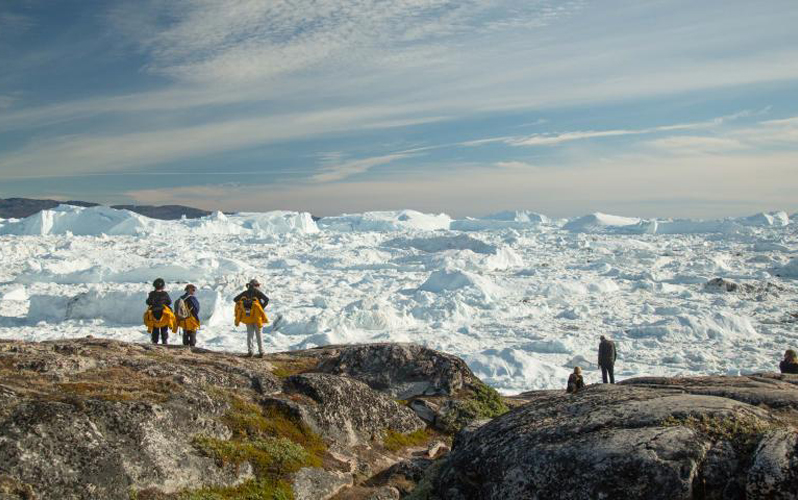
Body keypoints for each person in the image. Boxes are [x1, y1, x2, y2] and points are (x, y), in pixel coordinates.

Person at [234, 279, 269, 357]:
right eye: (257, 285)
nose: (258, 287)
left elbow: (235, 299)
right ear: (254, 285)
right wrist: (261, 307)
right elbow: (266, 300)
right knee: (259, 334)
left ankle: (250, 351)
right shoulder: (257, 292)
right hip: (257, 317)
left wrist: (243, 305)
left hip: (248, 316)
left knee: (250, 334)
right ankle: (261, 352)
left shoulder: (245, 293)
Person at [144, 278, 175, 345]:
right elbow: (169, 302)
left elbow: (148, 302)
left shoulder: (152, 294)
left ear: (154, 286)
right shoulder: (165, 294)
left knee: (155, 329)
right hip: (164, 314)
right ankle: (164, 341)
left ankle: (155, 342)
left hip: (154, 314)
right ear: (163, 286)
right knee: (164, 329)